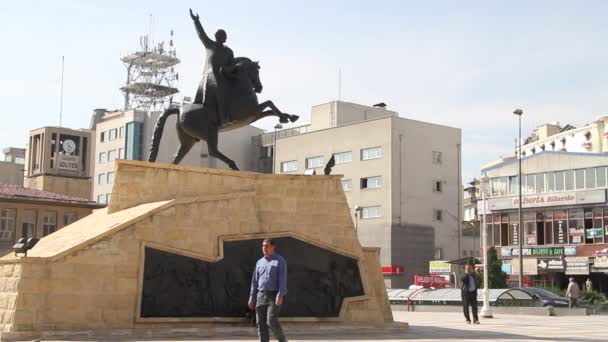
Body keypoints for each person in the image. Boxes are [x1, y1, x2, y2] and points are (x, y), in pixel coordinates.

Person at [189, 9, 237, 126]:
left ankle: (229, 113)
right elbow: (201, 35)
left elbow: (232, 65)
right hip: (209, 77)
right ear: (216, 37)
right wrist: (196, 21)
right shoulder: (210, 45)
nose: (223, 37)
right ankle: (220, 117)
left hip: (223, 77)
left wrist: (227, 70)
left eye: (224, 36)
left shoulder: (229, 51)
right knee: (217, 90)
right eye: (221, 35)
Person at [248, 238, 288, 342]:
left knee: (271, 321)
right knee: (260, 323)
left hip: (274, 296)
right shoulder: (259, 262)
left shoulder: (280, 260)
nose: (264, 248)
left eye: (267, 246)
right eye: (263, 246)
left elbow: (282, 278)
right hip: (260, 295)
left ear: (273, 247)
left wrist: (280, 294)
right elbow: (254, 282)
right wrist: (252, 297)